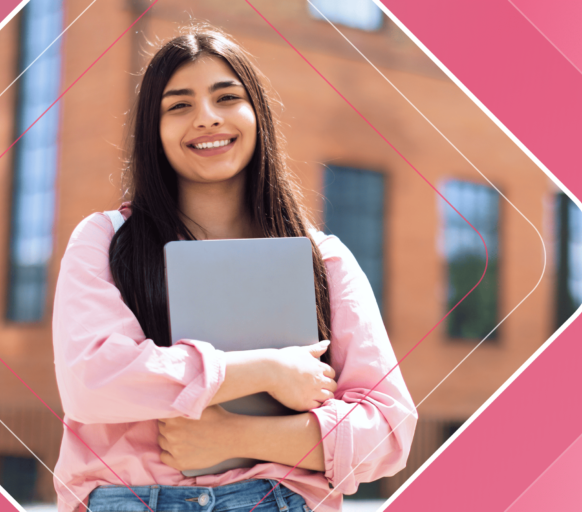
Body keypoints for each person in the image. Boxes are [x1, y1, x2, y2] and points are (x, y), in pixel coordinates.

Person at [51, 24, 416, 512]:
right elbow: (92, 382)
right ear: (152, 131)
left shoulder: (322, 259)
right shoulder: (105, 240)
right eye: (179, 105)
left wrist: (238, 435)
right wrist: (265, 370)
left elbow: (389, 433)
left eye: (227, 97)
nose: (206, 118)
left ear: (257, 114)